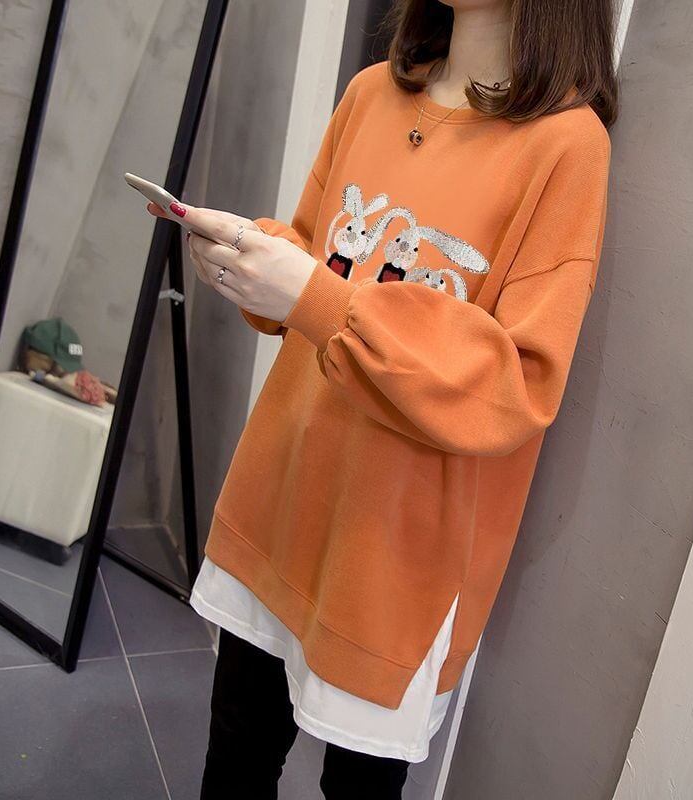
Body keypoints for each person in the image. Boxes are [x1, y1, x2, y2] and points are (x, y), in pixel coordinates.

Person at [148, 1, 617, 796]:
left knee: (358, 789)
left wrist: (315, 298)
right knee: (235, 754)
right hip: (284, 491)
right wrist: (252, 256)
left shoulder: (567, 145)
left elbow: (516, 384)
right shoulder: (372, 93)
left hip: (396, 554)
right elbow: (316, 259)